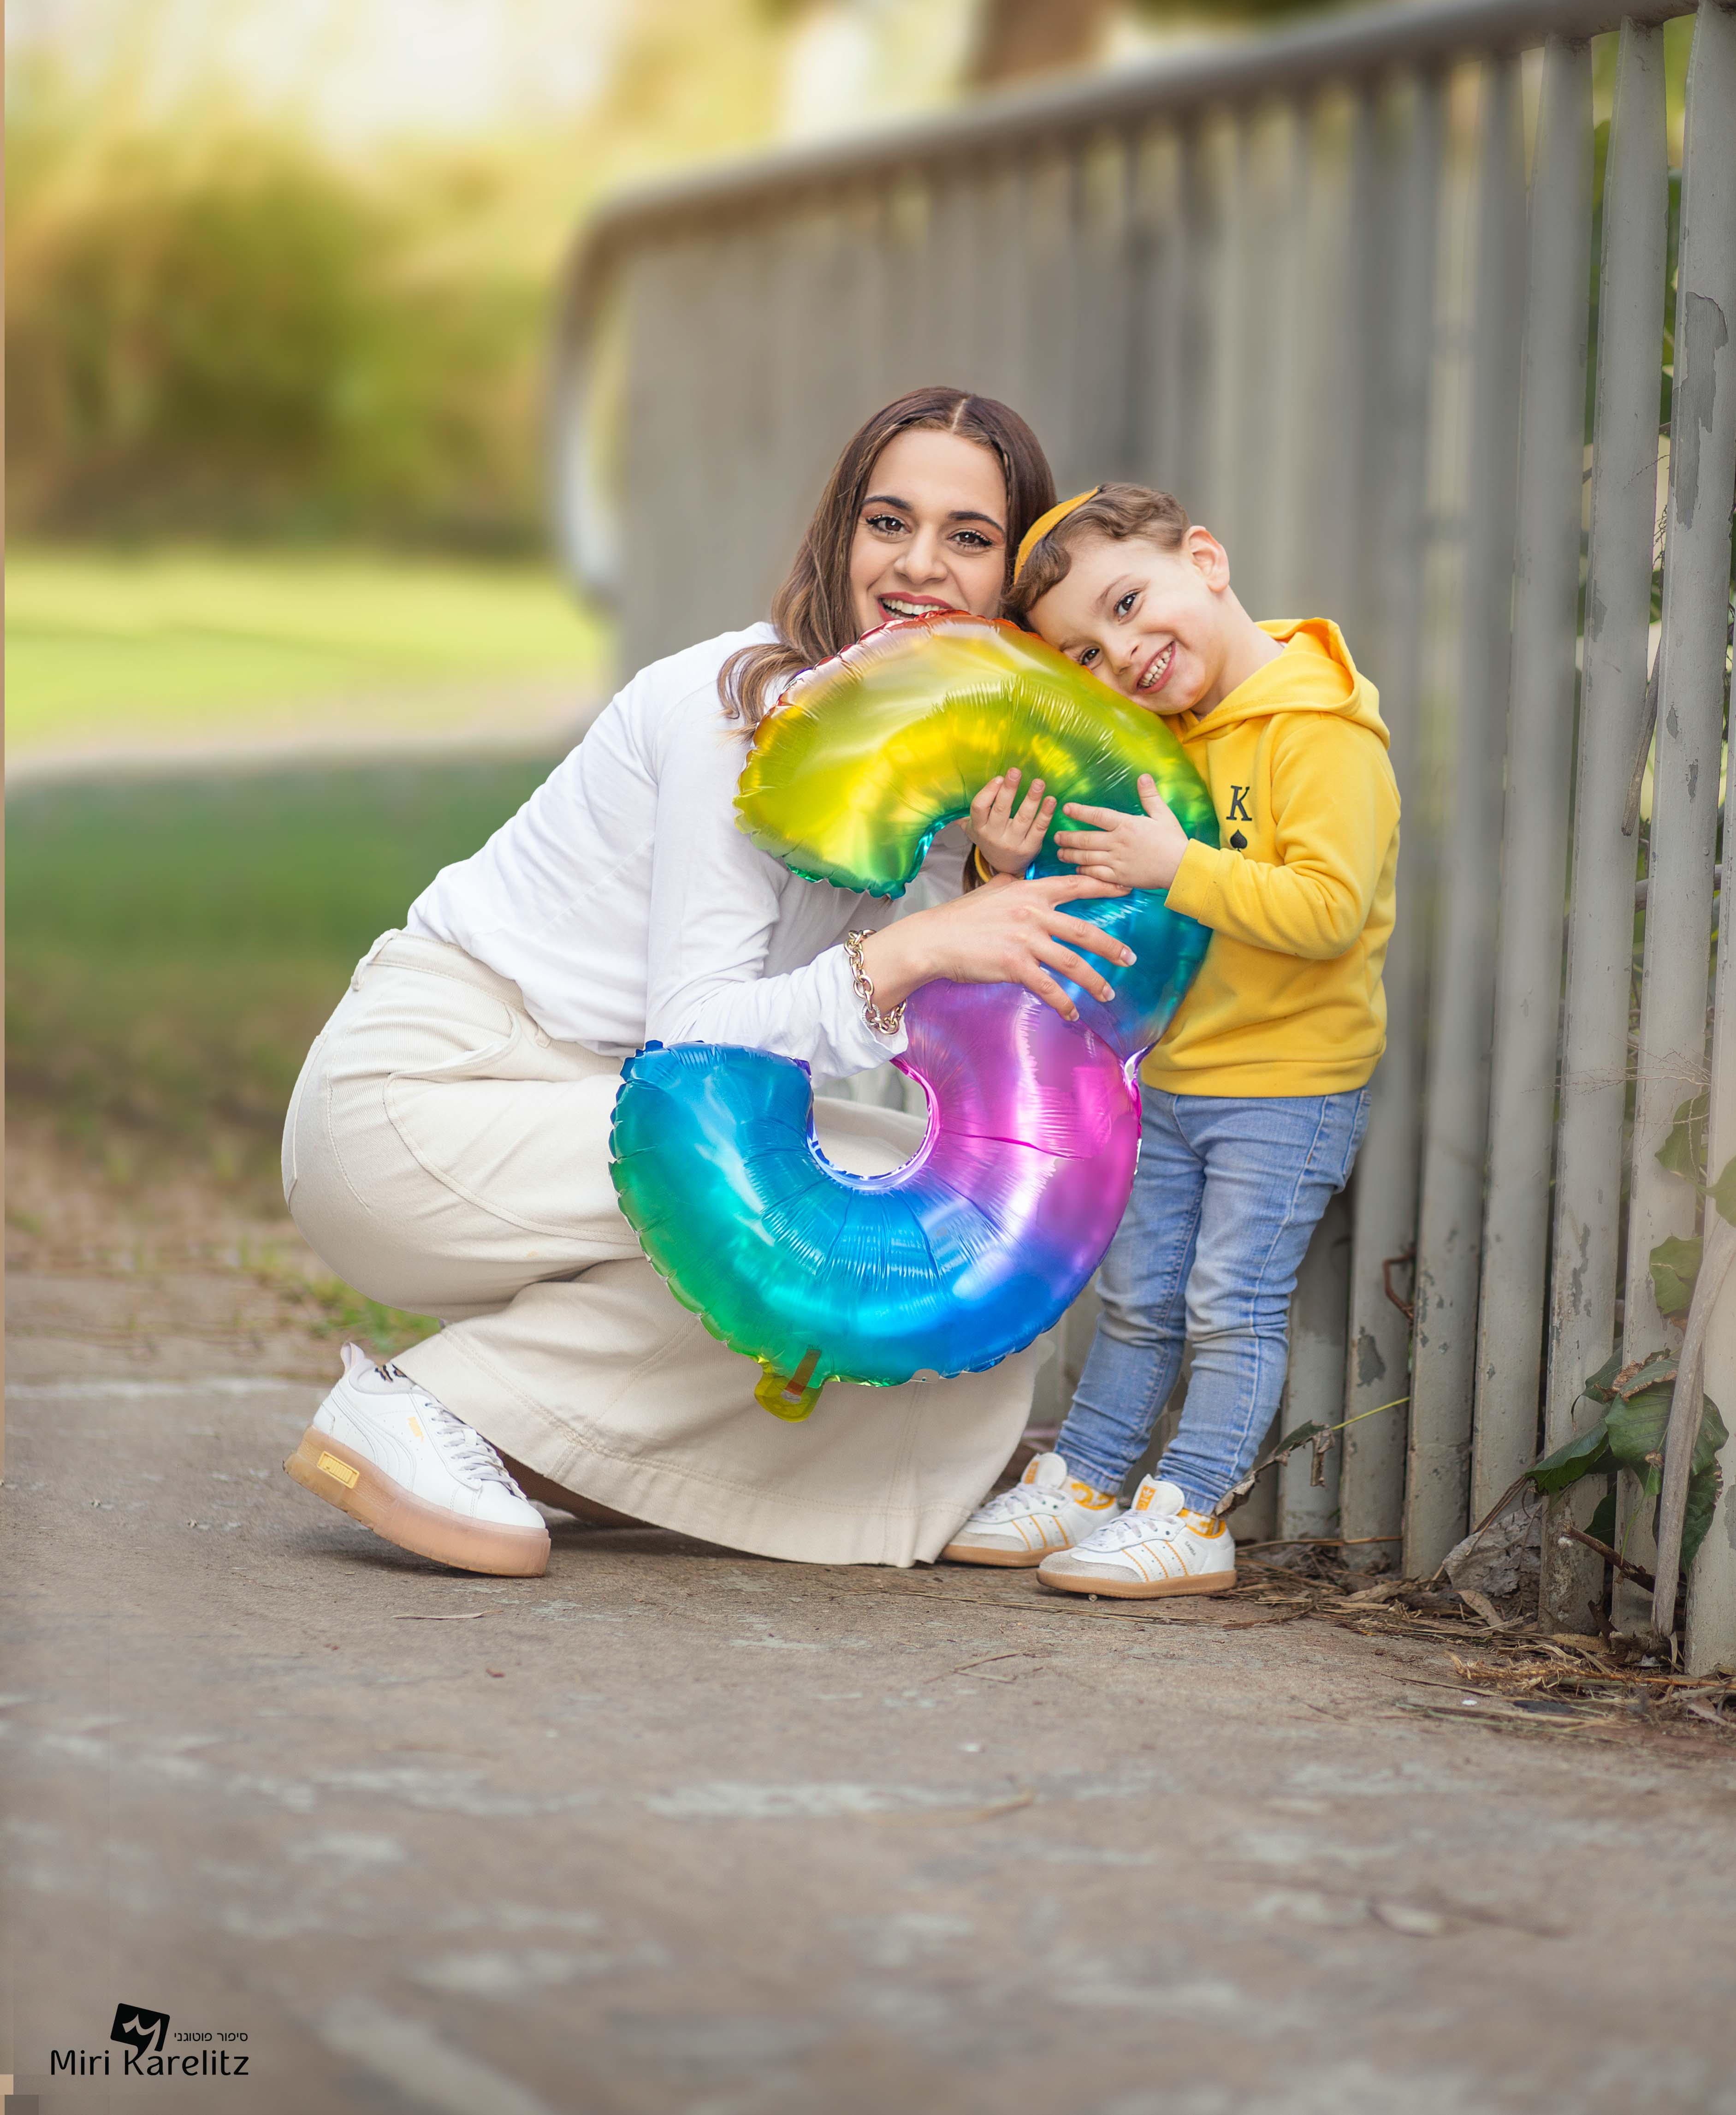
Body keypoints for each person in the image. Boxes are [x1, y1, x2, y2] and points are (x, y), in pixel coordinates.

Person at [279, 389, 1133, 1578]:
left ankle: (547, 1436)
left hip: (592, 1114)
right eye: (888, 523)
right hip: (428, 1098)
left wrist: (986, 876)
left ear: (1010, 577)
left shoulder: (938, 758)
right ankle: (437, 1406)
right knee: (840, 1187)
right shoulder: (735, 708)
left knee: (961, 1228)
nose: (918, 565)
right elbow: (701, 1043)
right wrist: (921, 947)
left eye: (969, 537)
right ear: (839, 536)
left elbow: (926, 1040)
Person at [942, 483, 1398, 1597]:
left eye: (1131, 601)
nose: (1125, 653)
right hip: (1176, 1074)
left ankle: (1191, 1508)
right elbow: (1090, 897)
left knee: (1227, 1303)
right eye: (1085, 654)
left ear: (1204, 557)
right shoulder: (1166, 738)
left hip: (1285, 1086)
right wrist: (1002, 866)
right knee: (1139, 1295)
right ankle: (1085, 1479)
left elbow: (1328, 911)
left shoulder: (1316, 730)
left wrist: (1178, 867)